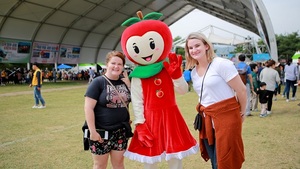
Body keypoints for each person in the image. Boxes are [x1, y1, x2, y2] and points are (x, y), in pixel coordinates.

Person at [185, 32, 246, 169]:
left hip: (227, 118)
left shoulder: (221, 64)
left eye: (197, 45)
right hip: (206, 121)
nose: (194, 50)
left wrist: (242, 112)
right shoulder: (194, 72)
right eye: (190, 48)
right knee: (215, 162)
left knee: (225, 160)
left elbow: (241, 90)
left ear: (206, 46)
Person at [84, 51, 132, 169]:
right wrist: (93, 132)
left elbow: (133, 101)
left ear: (123, 66)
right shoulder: (98, 82)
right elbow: (88, 108)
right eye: (113, 63)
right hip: (100, 133)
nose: (116, 66)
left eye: (119, 64)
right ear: (107, 64)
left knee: (119, 164)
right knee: (100, 165)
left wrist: (129, 85)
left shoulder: (125, 82)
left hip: (120, 132)